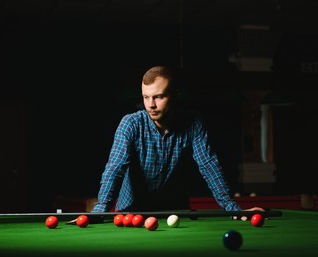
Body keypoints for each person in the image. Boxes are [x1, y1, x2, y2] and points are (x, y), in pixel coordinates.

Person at [91, 65, 263, 219]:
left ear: (174, 95)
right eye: (146, 97)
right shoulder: (130, 124)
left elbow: (208, 165)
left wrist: (232, 208)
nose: (151, 105)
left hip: (174, 212)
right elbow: (115, 167)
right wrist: (100, 211)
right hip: (132, 212)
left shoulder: (193, 122)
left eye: (158, 97)